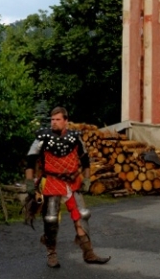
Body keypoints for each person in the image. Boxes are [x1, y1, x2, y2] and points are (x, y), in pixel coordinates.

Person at [25, 106, 111, 269]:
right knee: (51, 219)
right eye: (52, 120)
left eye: (57, 120)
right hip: (51, 182)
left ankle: (88, 253)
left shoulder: (75, 138)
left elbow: (85, 161)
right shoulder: (42, 137)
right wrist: (30, 183)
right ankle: (51, 253)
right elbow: (30, 160)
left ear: (66, 121)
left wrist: (87, 179)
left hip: (72, 182)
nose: (54, 123)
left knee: (82, 215)